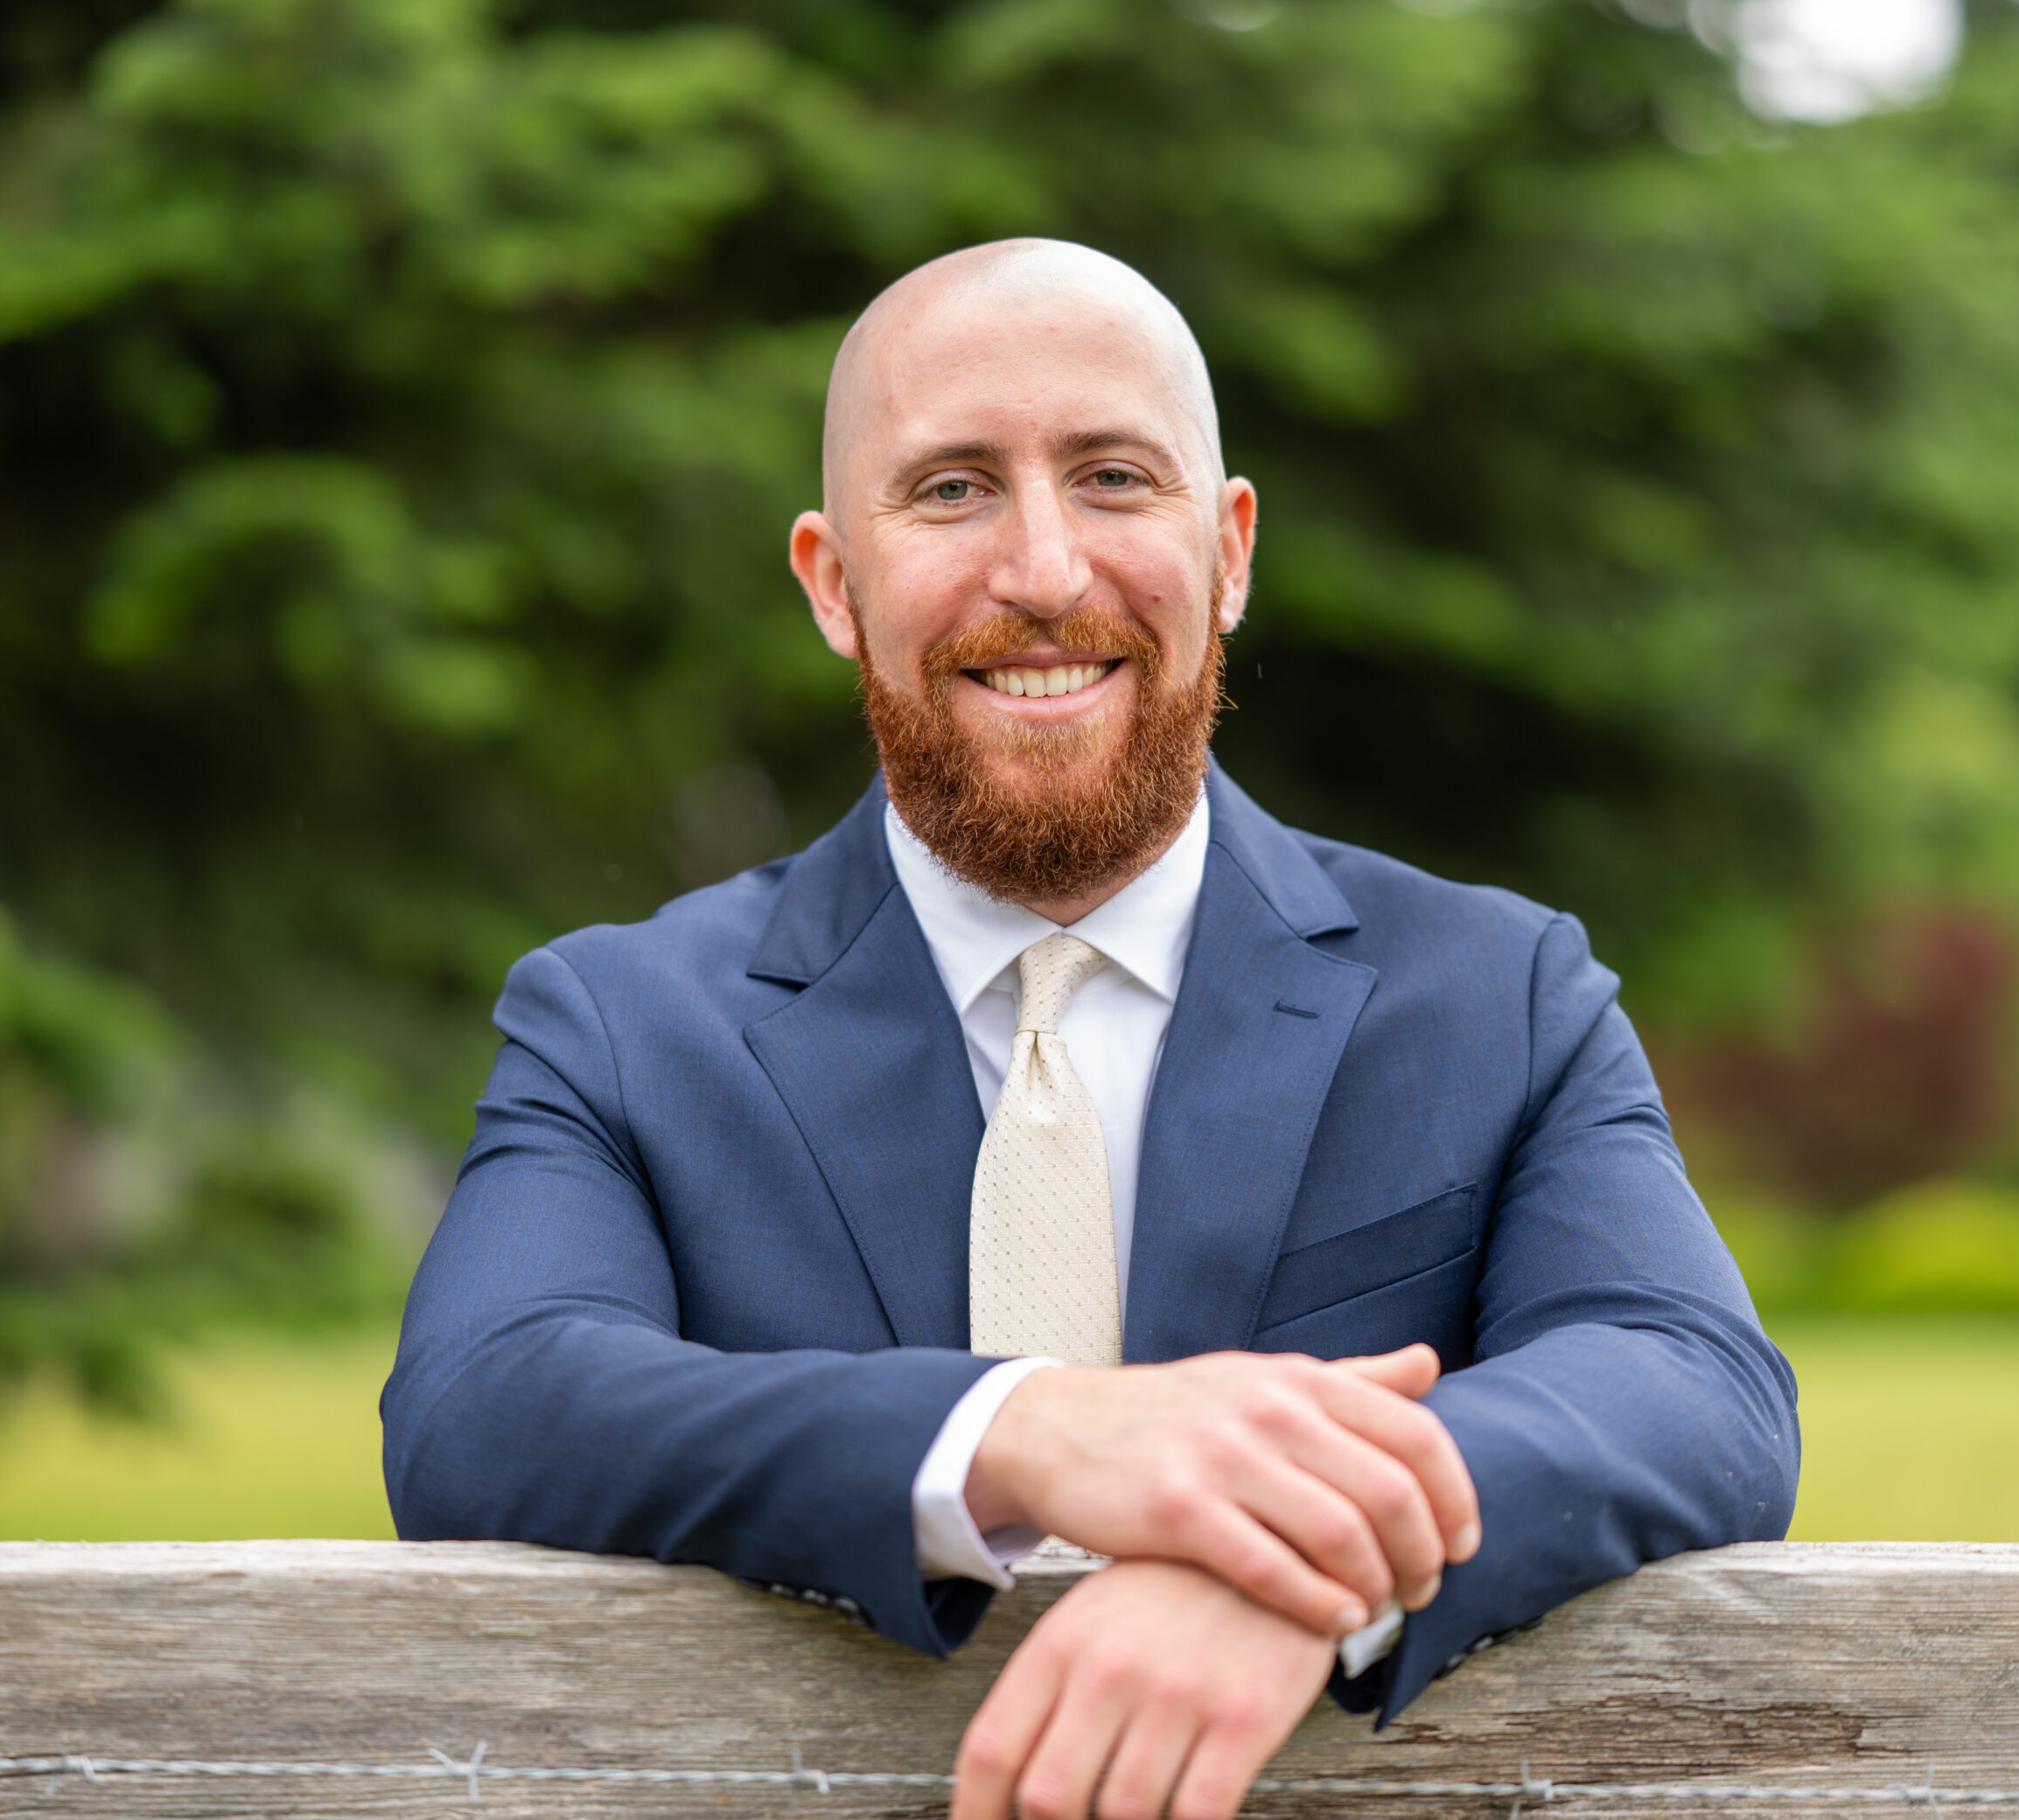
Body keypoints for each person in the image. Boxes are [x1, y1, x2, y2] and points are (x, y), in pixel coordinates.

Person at [383, 238, 1799, 1820]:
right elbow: (482, 1402)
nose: (1047, 573)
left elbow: (1693, 1382)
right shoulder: (621, 1022)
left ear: (1230, 549)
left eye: (1115, 478)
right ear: (834, 585)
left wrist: (1294, 1560)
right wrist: (1027, 1432)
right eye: (951, 491)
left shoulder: (1500, 994)